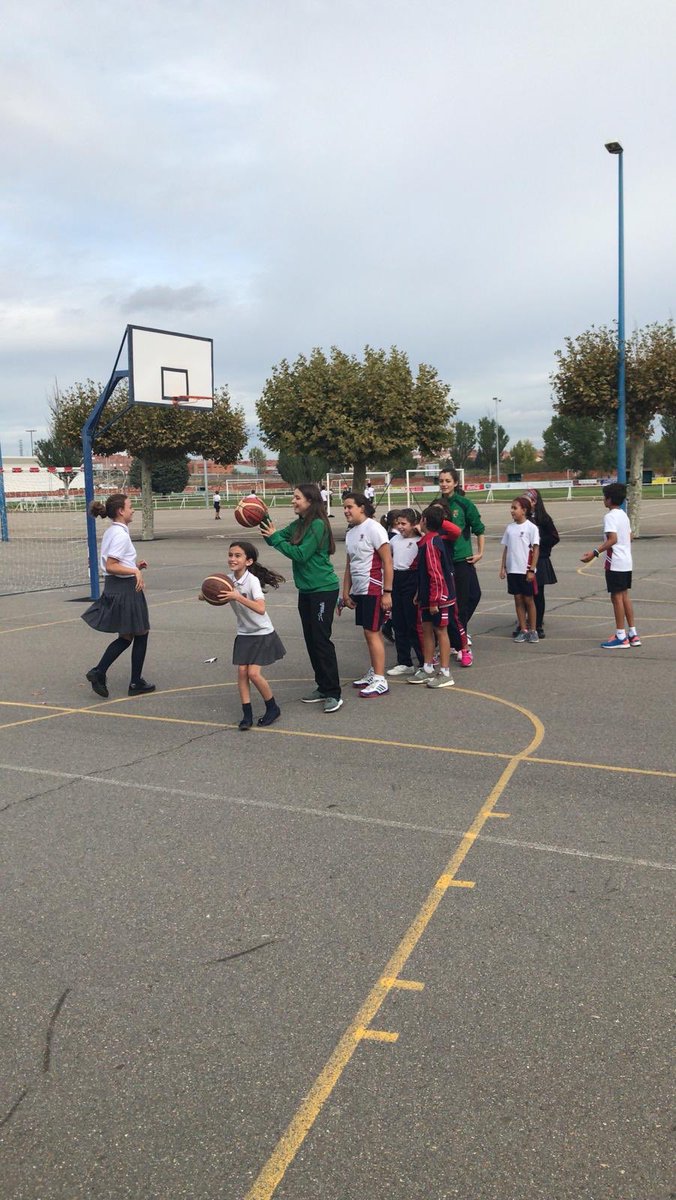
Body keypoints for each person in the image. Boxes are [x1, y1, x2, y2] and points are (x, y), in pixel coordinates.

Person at [261, 484, 343, 713]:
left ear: (310, 500)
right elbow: (273, 538)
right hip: (307, 590)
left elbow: (300, 554)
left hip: (323, 590)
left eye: (297, 498)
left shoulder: (317, 525)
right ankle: (323, 686)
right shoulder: (300, 523)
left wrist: (276, 538)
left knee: (321, 640)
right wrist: (261, 514)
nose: (293, 501)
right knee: (311, 639)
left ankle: (334, 692)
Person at [205, 540, 285, 729]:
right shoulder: (226, 580)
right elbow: (216, 592)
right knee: (242, 672)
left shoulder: (252, 581)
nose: (232, 558)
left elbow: (260, 608)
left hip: (262, 633)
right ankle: (247, 714)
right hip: (244, 633)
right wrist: (206, 595)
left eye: (237, 555)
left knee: (253, 674)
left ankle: (272, 707)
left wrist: (237, 596)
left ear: (248, 561)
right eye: (230, 555)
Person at [81, 493, 154, 697]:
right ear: (121, 511)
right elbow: (111, 566)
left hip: (117, 587)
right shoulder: (120, 534)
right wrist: (134, 571)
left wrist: (134, 565)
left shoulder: (113, 531)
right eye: (130, 506)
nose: (133, 510)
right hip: (125, 589)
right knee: (141, 632)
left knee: (127, 635)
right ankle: (135, 682)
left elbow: (112, 563)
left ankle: (99, 671)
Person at [341, 492, 393, 697]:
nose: (345, 510)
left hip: (374, 588)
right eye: (344, 507)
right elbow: (349, 564)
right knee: (370, 632)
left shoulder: (374, 528)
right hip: (360, 589)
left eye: (349, 507)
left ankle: (380, 679)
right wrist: (346, 592)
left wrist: (387, 592)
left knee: (372, 632)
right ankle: (375, 671)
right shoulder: (351, 532)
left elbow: (388, 562)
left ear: (362, 507)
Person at [407, 505, 465, 688]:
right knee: (426, 630)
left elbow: (436, 574)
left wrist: (434, 600)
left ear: (424, 521)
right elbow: (424, 573)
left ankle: (445, 672)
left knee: (441, 631)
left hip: (439, 598)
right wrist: (420, 592)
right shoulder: (426, 541)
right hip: (427, 596)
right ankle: (428, 667)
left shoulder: (432, 543)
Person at [580, 482, 640, 648]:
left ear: (609, 499)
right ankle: (632, 633)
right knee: (624, 596)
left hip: (615, 563)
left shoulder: (610, 517)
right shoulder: (623, 515)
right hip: (627, 561)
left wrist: (594, 553)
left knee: (616, 597)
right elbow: (630, 536)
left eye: (604, 497)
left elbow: (612, 539)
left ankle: (621, 635)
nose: (603, 499)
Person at [435, 468, 485, 638]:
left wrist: (480, 552)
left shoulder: (465, 504)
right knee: (457, 601)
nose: (444, 484)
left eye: (448, 481)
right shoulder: (436, 505)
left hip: (464, 558)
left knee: (473, 596)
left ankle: (457, 631)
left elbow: (479, 529)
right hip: (445, 560)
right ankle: (459, 638)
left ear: (455, 483)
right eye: (441, 481)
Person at [386, 509, 423, 676]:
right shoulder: (395, 541)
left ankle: (424, 662)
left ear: (414, 524)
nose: (400, 527)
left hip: (412, 579)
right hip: (397, 580)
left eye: (404, 524)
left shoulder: (420, 540)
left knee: (413, 624)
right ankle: (404, 661)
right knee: (398, 622)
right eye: (398, 523)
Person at [499, 496, 540, 643]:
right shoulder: (510, 528)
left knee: (528, 599)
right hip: (512, 570)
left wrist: (532, 569)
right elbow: (506, 548)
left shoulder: (531, 528)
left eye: (514, 508)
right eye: (511, 508)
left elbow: (535, 549)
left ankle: (533, 630)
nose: (512, 511)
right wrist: (503, 567)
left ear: (524, 510)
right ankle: (523, 629)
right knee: (517, 599)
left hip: (525, 570)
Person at [523, 487, 559, 639]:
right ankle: (524, 623)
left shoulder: (544, 519)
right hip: (524, 560)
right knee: (525, 593)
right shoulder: (522, 518)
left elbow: (554, 537)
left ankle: (537, 624)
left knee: (538, 594)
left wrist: (539, 543)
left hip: (540, 560)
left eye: (530, 500)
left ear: (535, 502)